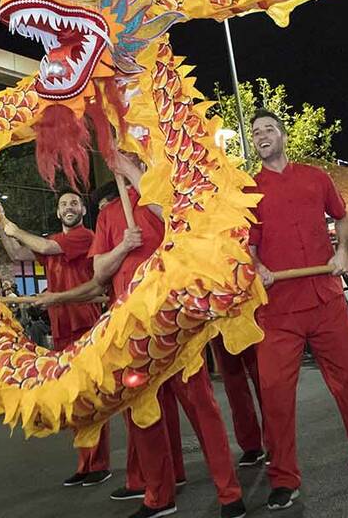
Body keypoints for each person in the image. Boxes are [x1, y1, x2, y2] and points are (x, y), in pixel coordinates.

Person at [37, 158, 246, 518]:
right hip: (132, 334)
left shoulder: (162, 196)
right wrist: (123, 247)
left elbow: (180, 225)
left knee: (202, 409)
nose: (124, 161)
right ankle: (159, 496)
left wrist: (136, 176)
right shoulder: (108, 215)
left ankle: (230, 494)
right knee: (144, 416)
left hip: (174, 326)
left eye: (131, 156)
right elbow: (99, 270)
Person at [248, 109, 348, 509]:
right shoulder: (247, 191)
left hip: (326, 300)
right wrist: (257, 267)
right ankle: (284, 478)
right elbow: (246, 245)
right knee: (275, 395)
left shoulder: (316, 177)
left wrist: (343, 250)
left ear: (282, 136)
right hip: (278, 310)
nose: (262, 135)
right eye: (256, 132)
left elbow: (343, 216)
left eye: (268, 129)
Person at [0, 189, 112, 488]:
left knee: (90, 395)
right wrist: (1, 221)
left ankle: (99, 463)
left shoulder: (84, 237)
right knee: (73, 396)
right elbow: (16, 253)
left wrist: (16, 229)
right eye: (63, 204)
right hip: (61, 328)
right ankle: (86, 463)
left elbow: (46, 247)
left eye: (74, 203)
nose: (68, 207)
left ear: (83, 211)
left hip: (85, 324)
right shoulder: (55, 240)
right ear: (58, 212)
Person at [210, 336, 267, 467]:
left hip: (250, 323)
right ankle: (251, 445)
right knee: (235, 389)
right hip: (220, 328)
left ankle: (274, 442)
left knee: (263, 381)